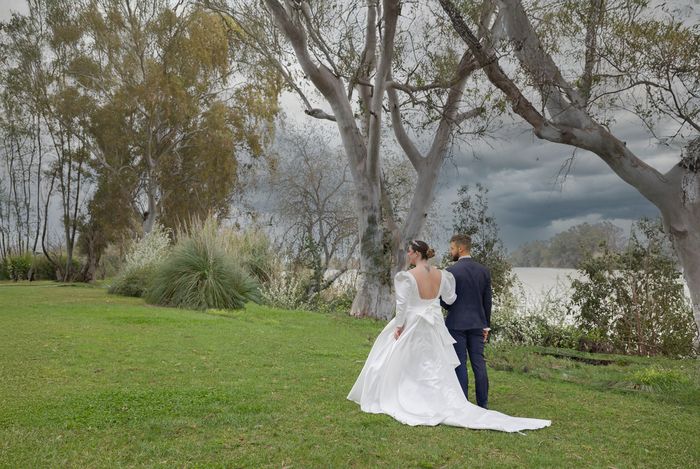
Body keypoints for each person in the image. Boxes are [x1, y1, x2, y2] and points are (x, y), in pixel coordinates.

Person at [347, 240, 550, 432]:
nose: (407, 255)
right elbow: (451, 298)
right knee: (435, 363)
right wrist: (433, 302)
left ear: (417, 254)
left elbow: (402, 305)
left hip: (413, 323)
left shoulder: (407, 276)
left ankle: (406, 395)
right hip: (433, 325)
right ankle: (448, 400)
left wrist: (399, 326)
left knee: (405, 360)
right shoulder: (443, 275)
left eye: (409, 252)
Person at [440, 234, 490, 408]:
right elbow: (487, 301)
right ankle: (483, 403)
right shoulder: (483, 270)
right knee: (479, 363)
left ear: (460, 248)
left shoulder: (450, 272)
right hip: (478, 323)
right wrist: (486, 326)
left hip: (456, 324)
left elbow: (445, 301)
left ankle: (463, 403)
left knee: (459, 362)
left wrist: (451, 307)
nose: (451, 251)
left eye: (452, 248)